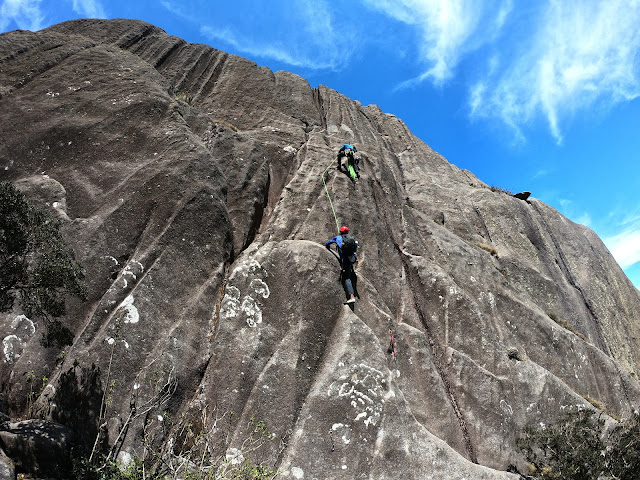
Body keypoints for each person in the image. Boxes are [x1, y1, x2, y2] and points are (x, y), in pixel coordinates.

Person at [325, 225, 359, 303]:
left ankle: (351, 296)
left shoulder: (337, 238)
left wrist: (327, 247)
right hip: (352, 258)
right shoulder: (351, 238)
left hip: (345, 259)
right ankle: (351, 270)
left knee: (347, 278)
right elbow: (355, 248)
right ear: (347, 232)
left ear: (340, 232)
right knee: (349, 270)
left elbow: (328, 243)